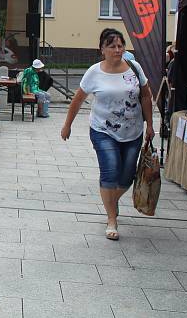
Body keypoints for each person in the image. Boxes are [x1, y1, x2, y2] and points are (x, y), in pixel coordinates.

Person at [60, 28, 154, 241]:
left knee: (128, 175)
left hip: (133, 131)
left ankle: (111, 200)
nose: (117, 50)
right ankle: (112, 219)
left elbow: (146, 96)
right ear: (102, 49)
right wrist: (67, 125)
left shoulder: (134, 68)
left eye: (121, 46)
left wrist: (150, 124)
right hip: (103, 130)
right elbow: (77, 100)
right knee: (110, 170)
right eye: (112, 46)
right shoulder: (94, 72)